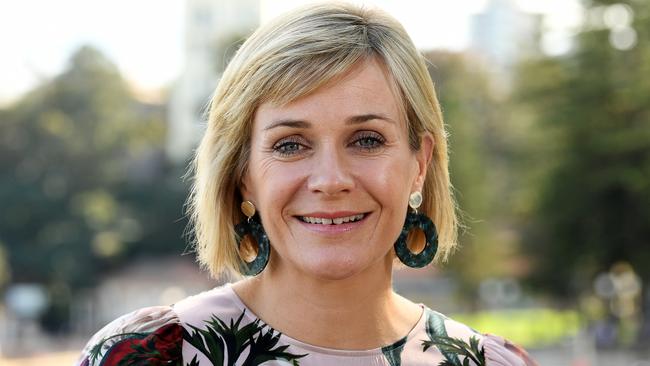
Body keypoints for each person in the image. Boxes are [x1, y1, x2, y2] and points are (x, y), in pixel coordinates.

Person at [76, 3, 537, 365]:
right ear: (242, 176)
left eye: (366, 139)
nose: (331, 180)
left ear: (419, 163)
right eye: (291, 145)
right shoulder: (147, 358)